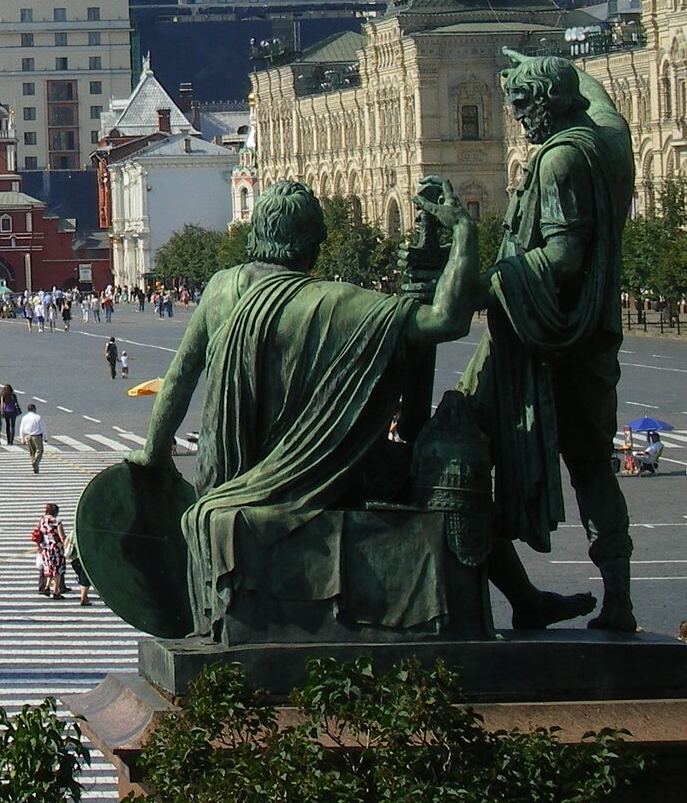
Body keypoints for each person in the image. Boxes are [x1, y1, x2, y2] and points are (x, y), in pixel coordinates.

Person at [129, 177, 482, 641]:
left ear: (257, 234)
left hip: (233, 476)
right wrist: (463, 235)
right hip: (329, 476)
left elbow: (178, 380)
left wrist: (152, 457)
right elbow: (446, 320)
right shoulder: (339, 302)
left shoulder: (220, 289)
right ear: (311, 245)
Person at [461, 53, 639, 632]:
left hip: (544, 339)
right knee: (592, 467)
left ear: (551, 102)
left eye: (521, 103)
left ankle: (510, 596)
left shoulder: (561, 159)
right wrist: (547, 55)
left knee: (454, 452)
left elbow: (563, 255)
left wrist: (484, 283)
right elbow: (610, 110)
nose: (515, 116)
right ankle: (617, 600)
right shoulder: (600, 144)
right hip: (584, 342)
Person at [33, 502, 67, 599]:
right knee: (57, 570)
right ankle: (56, 592)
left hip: (45, 548)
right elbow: (62, 537)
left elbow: (36, 534)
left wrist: (38, 545)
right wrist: (67, 545)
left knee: (49, 568)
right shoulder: (57, 522)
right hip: (56, 548)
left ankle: (47, 586)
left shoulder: (41, 521)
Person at [17, 404, 46, 473]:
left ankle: (34, 464)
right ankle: (36, 462)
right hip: (37, 436)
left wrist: (22, 438)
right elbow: (43, 428)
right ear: (34, 409)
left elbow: (21, 428)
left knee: (32, 452)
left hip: (28, 436)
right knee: (39, 451)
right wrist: (45, 437)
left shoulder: (24, 417)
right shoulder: (38, 417)